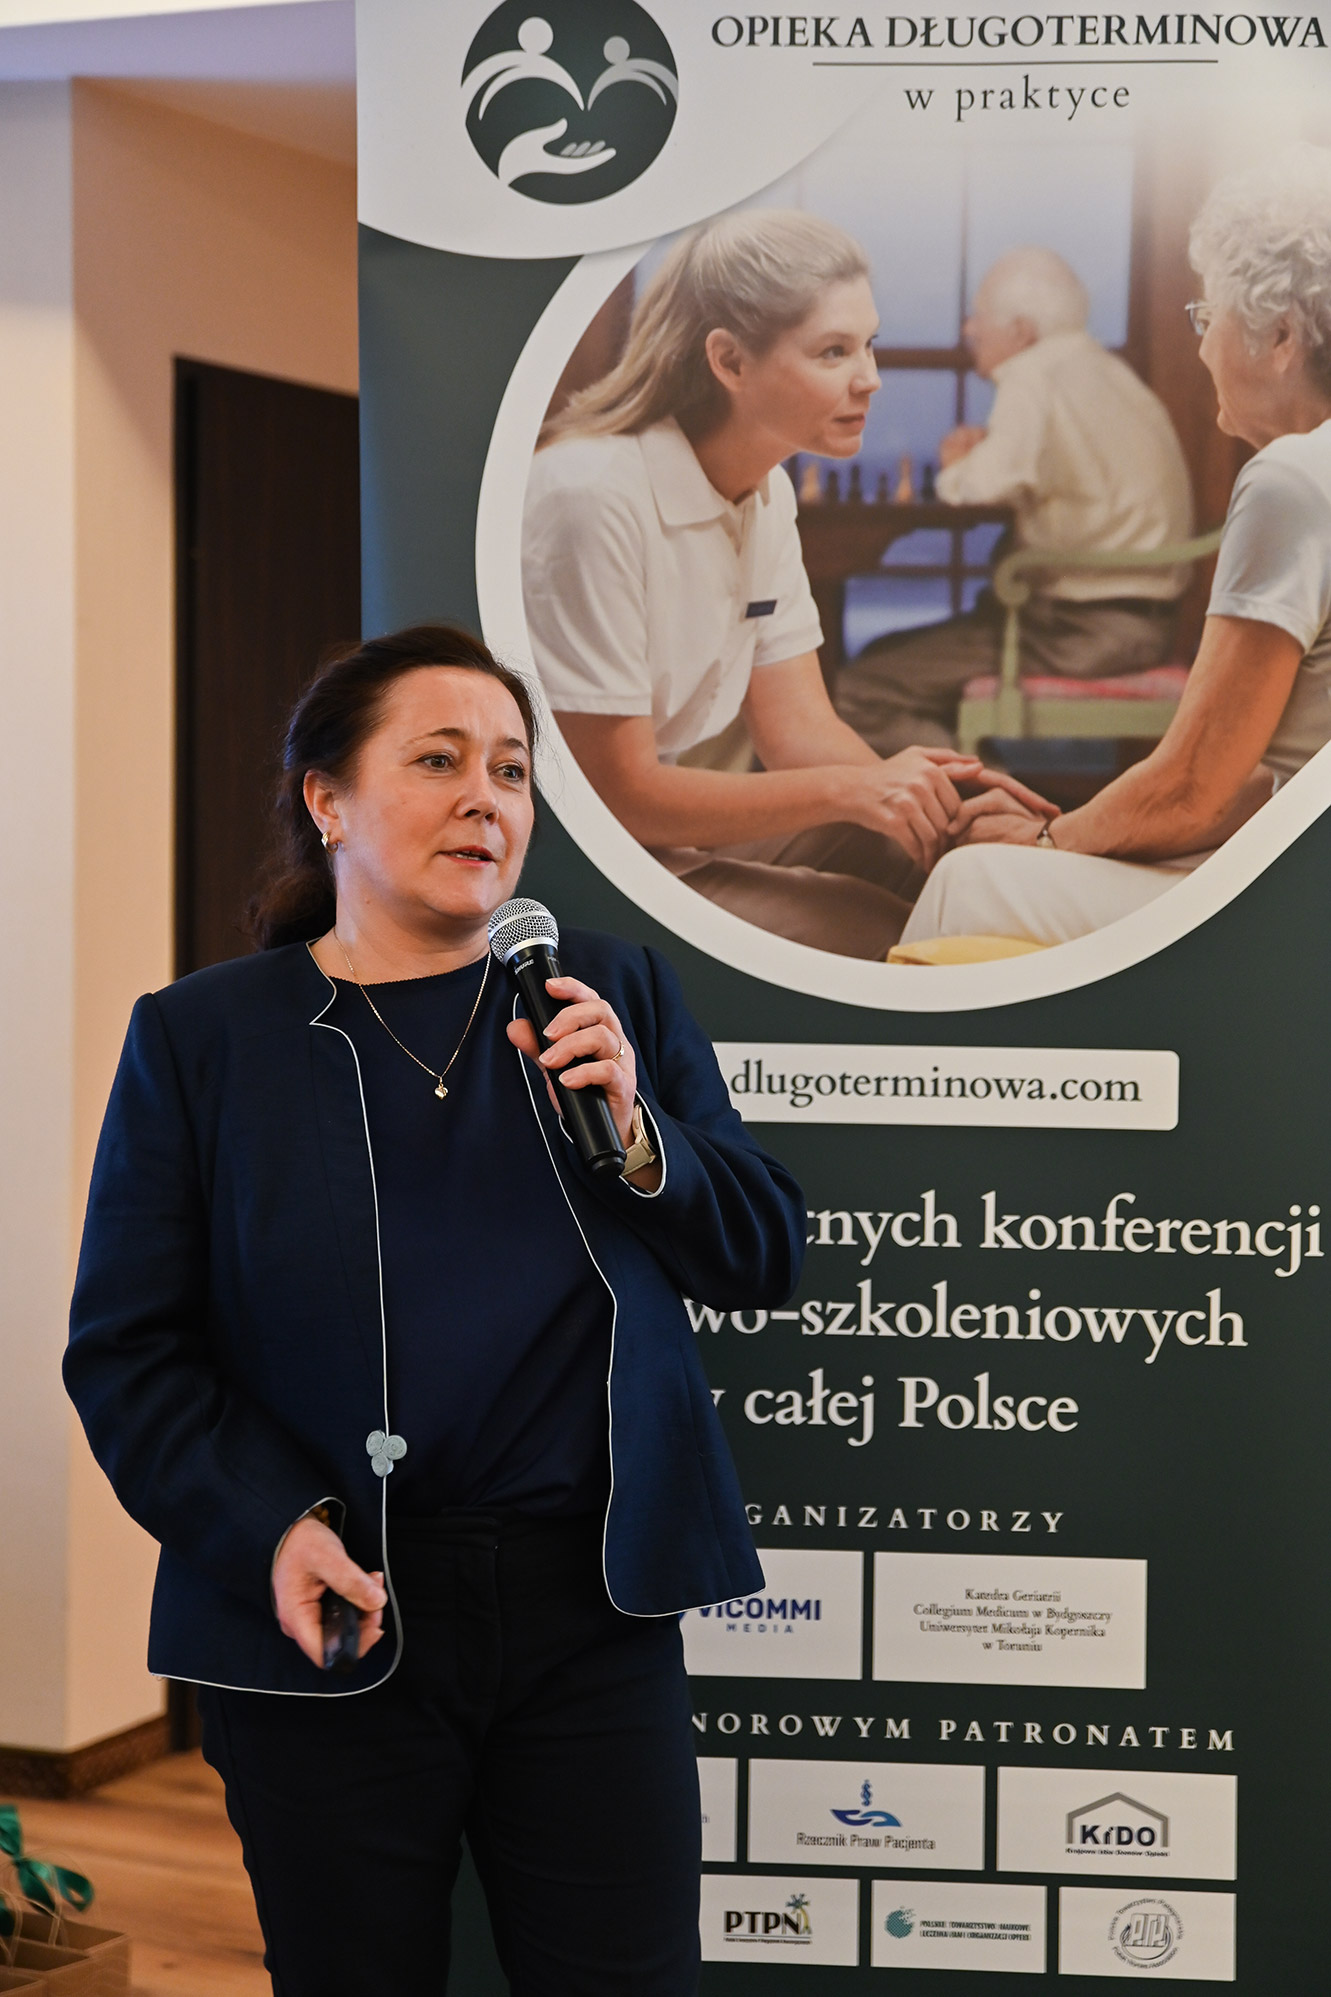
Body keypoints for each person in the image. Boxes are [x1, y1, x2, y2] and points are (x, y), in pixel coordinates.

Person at [64, 623, 806, 1996]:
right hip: (333, 1603)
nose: (486, 797)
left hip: (589, 1607)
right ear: (327, 799)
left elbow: (763, 1252)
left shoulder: (607, 992)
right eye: (439, 760)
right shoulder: (204, 1038)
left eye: (511, 770)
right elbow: (129, 1349)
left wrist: (642, 1131)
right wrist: (271, 1522)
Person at [522, 208, 1051, 961]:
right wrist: (855, 792)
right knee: (892, 936)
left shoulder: (766, 493)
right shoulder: (588, 494)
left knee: (967, 873)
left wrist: (933, 807)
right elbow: (621, 793)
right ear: (729, 361)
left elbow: (796, 729)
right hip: (579, 866)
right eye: (833, 351)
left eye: (867, 345)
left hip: (663, 838)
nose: (870, 378)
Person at [898, 146, 1331, 952]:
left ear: (1278, 336)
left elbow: (1196, 785)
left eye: (1207, 317)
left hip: (1287, 903)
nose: (1201, 347)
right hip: (1286, 859)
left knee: (967, 879)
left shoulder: (1293, 481)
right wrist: (1076, 828)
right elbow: (1268, 779)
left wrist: (1046, 838)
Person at [835, 247, 1195, 758]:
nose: (969, 329)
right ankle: (989, 786)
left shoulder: (1033, 375)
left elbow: (976, 488)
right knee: (888, 655)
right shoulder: (1108, 373)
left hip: (1075, 632)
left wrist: (958, 462)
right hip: (1141, 625)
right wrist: (988, 454)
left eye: (980, 315)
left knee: (857, 689)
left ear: (1022, 331)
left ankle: (987, 798)